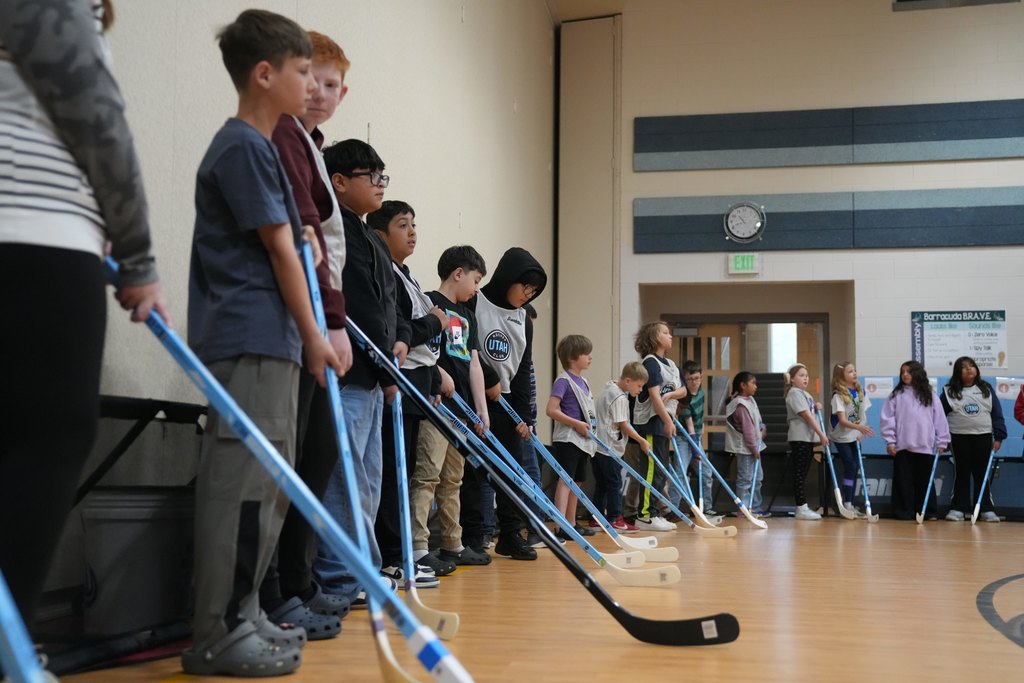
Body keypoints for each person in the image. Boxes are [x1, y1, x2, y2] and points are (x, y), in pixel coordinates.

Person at [0, 0, 166, 665]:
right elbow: (97, 117)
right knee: (45, 440)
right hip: (36, 242)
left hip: (36, 242)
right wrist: (139, 253)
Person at [183, 10, 342, 676]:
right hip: (249, 337)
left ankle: (243, 613)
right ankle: (216, 629)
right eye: (304, 72)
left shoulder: (264, 148)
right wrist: (315, 335)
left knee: (268, 486)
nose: (312, 85)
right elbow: (280, 250)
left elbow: (295, 240)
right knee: (240, 487)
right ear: (264, 73)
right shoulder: (243, 146)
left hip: (269, 341)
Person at [260, 28, 352, 639]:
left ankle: (297, 583)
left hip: (316, 325)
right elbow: (301, 238)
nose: (321, 93)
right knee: (288, 463)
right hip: (296, 326)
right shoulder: (280, 134)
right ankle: (277, 593)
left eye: (333, 86)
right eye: (312, 79)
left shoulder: (310, 143)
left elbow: (323, 241)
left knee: (314, 457)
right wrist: (332, 322)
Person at [313, 139, 410, 606]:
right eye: (371, 176)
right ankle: (338, 575)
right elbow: (357, 307)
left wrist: (396, 352)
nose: (379, 184)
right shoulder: (335, 231)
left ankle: (361, 570)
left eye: (382, 175)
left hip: (374, 378)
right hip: (349, 375)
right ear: (339, 181)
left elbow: (387, 311)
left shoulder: (368, 237)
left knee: (368, 481)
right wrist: (383, 366)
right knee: (345, 479)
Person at [367, 200, 453, 584]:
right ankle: (390, 556)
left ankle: (400, 552)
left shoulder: (407, 276)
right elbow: (404, 331)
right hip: (393, 385)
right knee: (390, 473)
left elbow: (424, 349)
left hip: (418, 387)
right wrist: (435, 321)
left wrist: (434, 381)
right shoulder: (383, 272)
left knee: (404, 472)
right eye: (403, 225)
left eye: (414, 224)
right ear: (381, 234)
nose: (413, 232)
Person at [411, 246, 492, 569]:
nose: (476, 288)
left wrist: (481, 409)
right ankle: (418, 545)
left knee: (453, 479)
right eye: (475, 280)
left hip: (461, 411)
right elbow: (423, 351)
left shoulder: (469, 315)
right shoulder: (429, 303)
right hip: (435, 407)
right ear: (458, 273)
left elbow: (474, 364)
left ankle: (452, 543)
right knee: (427, 475)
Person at [468, 247, 547, 560]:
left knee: (512, 472)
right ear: (508, 278)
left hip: (509, 401)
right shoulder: (475, 301)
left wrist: (525, 416)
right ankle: (474, 536)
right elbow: (468, 347)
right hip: (476, 396)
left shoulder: (525, 319)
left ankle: (511, 534)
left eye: (534, 292)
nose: (528, 295)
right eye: (525, 287)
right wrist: (488, 379)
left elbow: (525, 367)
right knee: (476, 471)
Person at [629, 321, 687, 531]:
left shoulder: (670, 364)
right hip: (653, 423)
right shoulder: (651, 363)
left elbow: (684, 391)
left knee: (661, 471)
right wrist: (668, 421)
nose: (670, 336)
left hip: (665, 421)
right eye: (665, 332)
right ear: (654, 338)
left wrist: (671, 394)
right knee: (652, 470)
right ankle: (645, 515)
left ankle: (654, 512)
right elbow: (654, 396)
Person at [879, 361, 950, 521]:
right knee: (903, 482)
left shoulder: (930, 395)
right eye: (903, 371)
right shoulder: (895, 395)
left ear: (917, 373)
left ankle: (928, 511)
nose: (905, 374)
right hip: (902, 446)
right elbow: (887, 419)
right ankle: (903, 511)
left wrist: (942, 441)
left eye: (909, 372)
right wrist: (890, 441)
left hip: (925, 447)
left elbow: (939, 419)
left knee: (925, 481)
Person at [545, 335, 600, 540]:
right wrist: (575, 423)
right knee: (565, 481)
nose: (590, 357)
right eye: (586, 353)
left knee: (577, 482)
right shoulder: (563, 380)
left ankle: (572, 524)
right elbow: (551, 410)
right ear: (572, 357)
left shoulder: (584, 381)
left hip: (582, 440)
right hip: (568, 438)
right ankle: (560, 526)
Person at [940, 356, 1006, 522]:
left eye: (971, 366)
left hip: (983, 437)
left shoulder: (986, 389)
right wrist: (943, 438)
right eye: (964, 367)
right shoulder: (949, 391)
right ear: (957, 372)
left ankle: (985, 509)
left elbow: (997, 414)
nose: (969, 369)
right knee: (961, 473)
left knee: (982, 474)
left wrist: (998, 437)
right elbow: (939, 417)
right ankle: (958, 508)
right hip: (958, 438)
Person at [591, 362, 649, 532]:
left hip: (598, 447)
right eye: (639, 386)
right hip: (609, 448)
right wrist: (641, 440)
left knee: (601, 484)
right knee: (615, 483)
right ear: (628, 380)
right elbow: (623, 425)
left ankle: (596, 518)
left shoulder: (608, 388)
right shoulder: (620, 398)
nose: (640, 390)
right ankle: (615, 518)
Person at [784, 363, 829, 521]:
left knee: (803, 473)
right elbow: (807, 416)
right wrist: (821, 434)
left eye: (807, 375)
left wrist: (815, 406)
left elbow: (811, 411)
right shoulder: (794, 393)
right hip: (800, 438)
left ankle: (802, 506)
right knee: (799, 474)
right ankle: (801, 507)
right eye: (801, 375)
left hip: (807, 439)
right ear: (792, 380)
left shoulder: (806, 394)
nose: (805, 378)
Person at [829, 362, 874, 516]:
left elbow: (863, 415)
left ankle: (850, 502)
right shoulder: (838, 395)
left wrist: (861, 431)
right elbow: (842, 420)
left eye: (855, 370)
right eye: (850, 371)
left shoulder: (860, 392)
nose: (854, 373)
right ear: (841, 376)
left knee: (855, 468)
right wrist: (859, 428)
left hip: (854, 435)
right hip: (842, 437)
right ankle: (846, 503)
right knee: (850, 466)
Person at [725, 372, 768, 517]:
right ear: (743, 385)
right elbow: (748, 430)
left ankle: (755, 506)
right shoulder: (740, 405)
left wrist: (763, 428)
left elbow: (757, 422)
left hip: (755, 447)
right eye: (753, 383)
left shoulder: (750, 400)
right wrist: (754, 448)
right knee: (746, 479)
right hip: (746, 449)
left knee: (757, 478)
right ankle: (744, 509)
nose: (755, 386)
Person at [677, 361, 711, 513]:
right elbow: (689, 426)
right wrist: (695, 449)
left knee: (706, 472)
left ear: (701, 377)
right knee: (679, 473)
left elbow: (700, 418)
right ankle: (674, 509)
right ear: (685, 379)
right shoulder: (684, 398)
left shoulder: (702, 392)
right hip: (685, 439)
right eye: (690, 379)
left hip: (696, 437)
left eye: (697, 378)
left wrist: (701, 433)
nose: (694, 382)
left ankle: (707, 508)